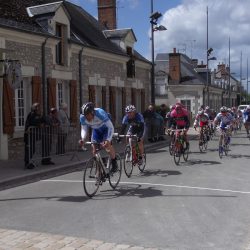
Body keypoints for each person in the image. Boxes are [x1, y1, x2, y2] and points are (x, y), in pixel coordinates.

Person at [79, 102, 118, 173]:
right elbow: (84, 129)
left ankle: (114, 162)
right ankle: (100, 165)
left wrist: (108, 140)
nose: (86, 117)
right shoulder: (82, 117)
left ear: (92, 112)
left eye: (88, 115)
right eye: (85, 115)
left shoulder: (100, 113)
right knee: (94, 149)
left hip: (106, 130)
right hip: (96, 130)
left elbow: (110, 127)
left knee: (107, 147)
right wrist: (83, 139)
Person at [24, 103, 54, 169]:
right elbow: (33, 122)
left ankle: (45, 159)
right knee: (29, 149)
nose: (39, 109)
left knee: (33, 148)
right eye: (37, 107)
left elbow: (44, 120)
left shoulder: (38, 115)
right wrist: (39, 124)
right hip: (29, 135)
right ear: (35, 109)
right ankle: (27, 163)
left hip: (34, 135)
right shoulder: (31, 114)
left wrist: (46, 122)